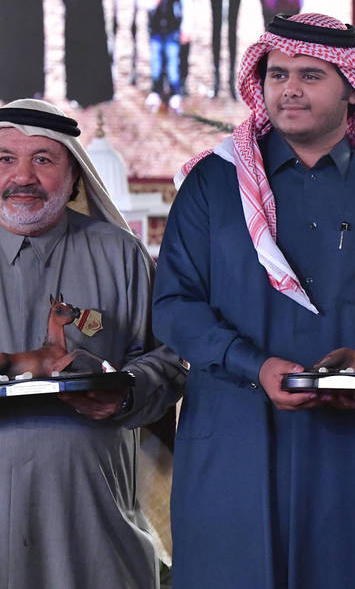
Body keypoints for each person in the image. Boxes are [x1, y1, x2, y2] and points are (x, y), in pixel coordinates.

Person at [152, 12, 355, 589]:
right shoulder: (214, 185)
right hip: (230, 441)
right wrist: (254, 365)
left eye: (310, 75)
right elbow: (173, 305)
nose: (288, 88)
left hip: (351, 452)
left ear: (351, 90)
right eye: (277, 73)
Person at [0, 98, 185, 588]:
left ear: (75, 175)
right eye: (4, 159)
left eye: (43, 159)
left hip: (94, 516)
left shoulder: (119, 255)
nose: (22, 177)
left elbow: (168, 361)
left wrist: (125, 392)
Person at [137, 0, 194, 113]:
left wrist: (186, 27)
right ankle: (156, 90)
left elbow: (187, 3)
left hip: (173, 28)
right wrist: (150, 1)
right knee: (155, 61)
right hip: (155, 28)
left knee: (172, 62)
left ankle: (175, 92)